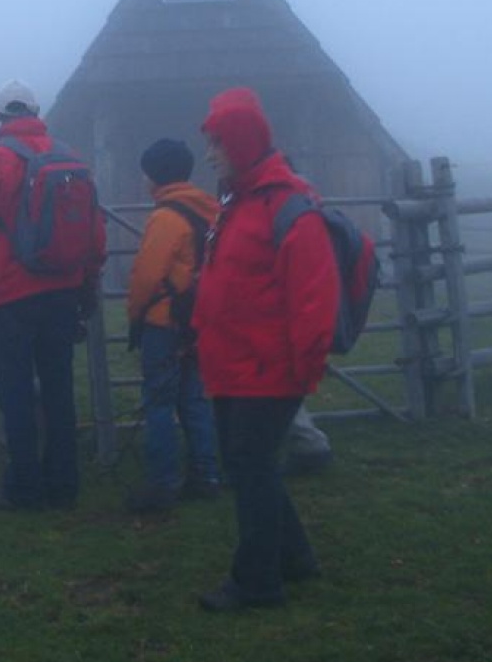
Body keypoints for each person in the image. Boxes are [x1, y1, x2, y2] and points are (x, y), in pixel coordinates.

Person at [192, 89, 339, 611]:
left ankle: (256, 583)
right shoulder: (240, 200)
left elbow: (313, 297)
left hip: (266, 369)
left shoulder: (289, 208)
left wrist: (302, 370)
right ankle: (295, 559)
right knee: (251, 465)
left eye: (218, 144)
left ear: (243, 142)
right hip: (233, 363)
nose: (210, 155)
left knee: (249, 469)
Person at [0, 79, 106, 511]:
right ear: (37, 112)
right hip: (62, 291)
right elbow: (92, 231)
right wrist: (88, 287)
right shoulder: (71, 160)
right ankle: (64, 483)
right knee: (59, 389)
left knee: (15, 392)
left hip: (10, 296)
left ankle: (23, 487)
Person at [123, 138, 221, 513]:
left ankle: (163, 482)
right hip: (197, 321)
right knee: (195, 399)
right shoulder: (209, 210)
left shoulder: (165, 217)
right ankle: (206, 474)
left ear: (154, 175)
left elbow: (147, 275)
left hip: (164, 322)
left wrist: (136, 315)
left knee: (160, 402)